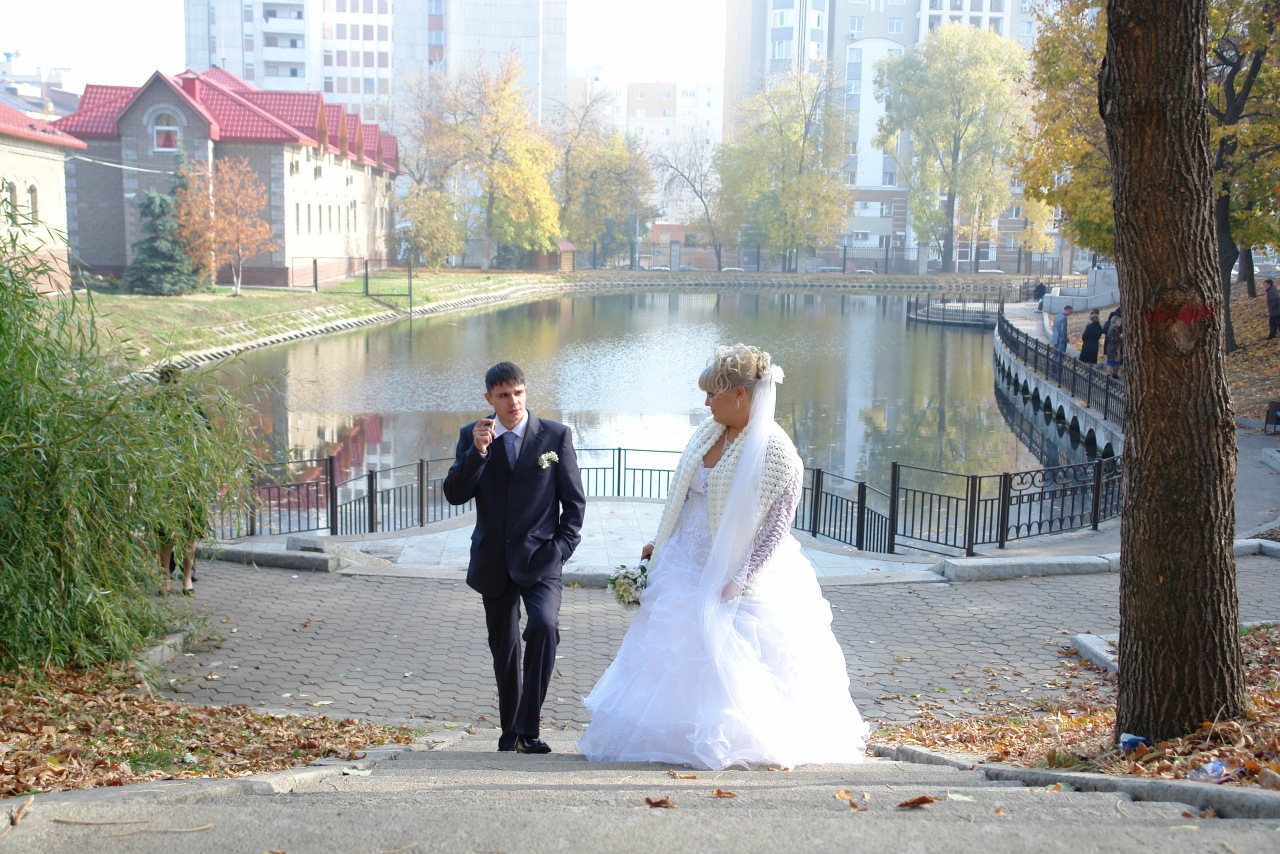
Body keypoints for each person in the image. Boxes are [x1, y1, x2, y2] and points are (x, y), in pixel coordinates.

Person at [577, 344, 869, 770]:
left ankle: (731, 737)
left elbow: (775, 528)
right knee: (671, 651)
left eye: (713, 394)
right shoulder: (707, 433)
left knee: (733, 654)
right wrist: (659, 541)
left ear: (740, 395)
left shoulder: (778, 453)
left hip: (735, 567)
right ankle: (672, 736)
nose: (705, 403)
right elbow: (684, 496)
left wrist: (742, 577)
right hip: (682, 558)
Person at [443, 362, 586, 755]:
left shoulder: (555, 435)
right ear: (489, 398)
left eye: (518, 392)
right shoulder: (472, 436)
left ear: (526, 392)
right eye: (504, 395)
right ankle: (512, 735)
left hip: (542, 559)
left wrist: (561, 550)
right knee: (505, 651)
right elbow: (455, 494)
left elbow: (574, 503)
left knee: (544, 626)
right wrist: (477, 453)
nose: (513, 401)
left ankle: (529, 728)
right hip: (493, 561)